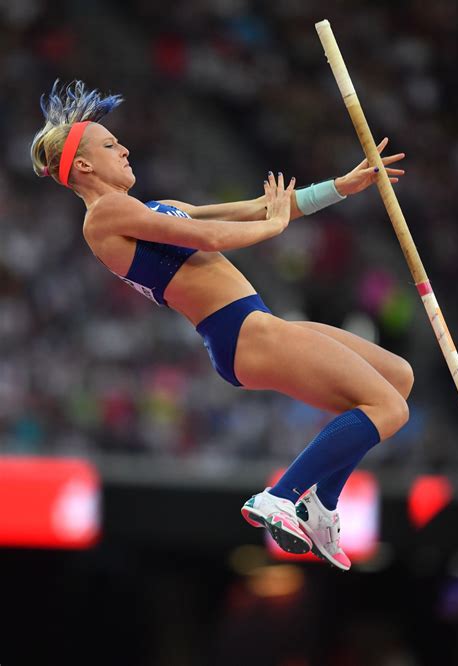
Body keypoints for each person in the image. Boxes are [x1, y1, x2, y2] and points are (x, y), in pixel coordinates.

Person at [31, 80, 412, 570]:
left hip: (254, 327)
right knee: (389, 407)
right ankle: (281, 496)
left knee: (397, 376)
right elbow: (210, 235)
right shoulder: (105, 215)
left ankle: (321, 505)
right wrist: (273, 228)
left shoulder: (148, 208)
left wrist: (341, 186)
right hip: (241, 333)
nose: (124, 147)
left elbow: (255, 208)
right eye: (109, 144)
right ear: (83, 166)